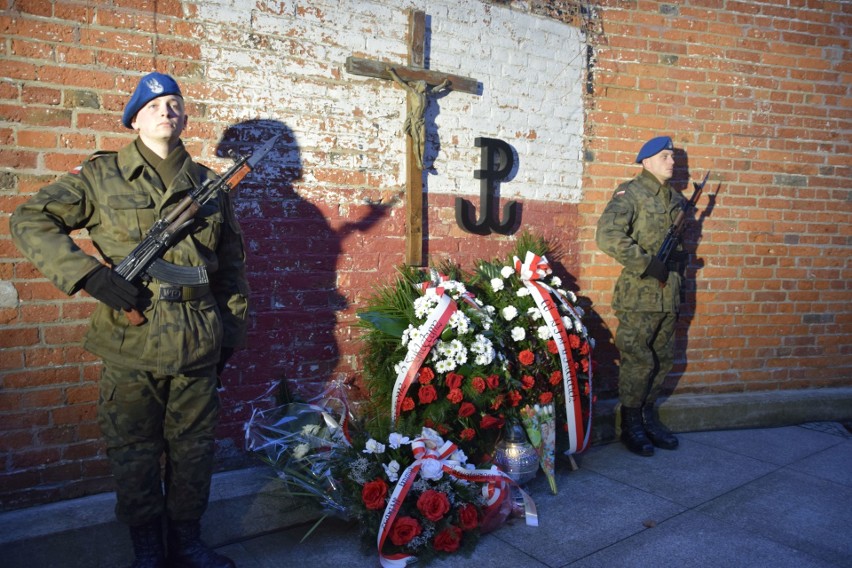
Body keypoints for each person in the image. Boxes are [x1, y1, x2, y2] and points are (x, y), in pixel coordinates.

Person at [11, 72, 249, 567]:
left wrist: (229, 337)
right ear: (135, 118)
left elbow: (231, 272)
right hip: (129, 339)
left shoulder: (209, 185)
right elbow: (30, 219)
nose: (167, 110)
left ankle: (187, 540)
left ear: (185, 117)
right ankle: (146, 546)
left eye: (175, 103)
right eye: (155, 103)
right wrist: (88, 276)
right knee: (133, 449)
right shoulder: (102, 177)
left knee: (194, 450)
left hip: (197, 339)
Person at [595, 135, 685, 457]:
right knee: (637, 361)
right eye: (665, 156)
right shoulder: (630, 192)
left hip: (669, 293)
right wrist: (648, 263)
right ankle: (630, 423)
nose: (672, 162)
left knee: (662, 360)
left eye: (673, 156)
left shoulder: (676, 201)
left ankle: (648, 417)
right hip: (639, 295)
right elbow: (606, 235)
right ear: (646, 161)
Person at [386, 66, 450, 170]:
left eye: (425, 85)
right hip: (414, 120)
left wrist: (443, 84)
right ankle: (418, 162)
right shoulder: (413, 93)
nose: (425, 86)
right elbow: (401, 83)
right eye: (424, 85)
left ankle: (422, 159)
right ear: (419, 85)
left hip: (422, 120)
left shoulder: (425, 95)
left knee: (423, 140)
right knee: (416, 140)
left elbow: (434, 90)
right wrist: (391, 72)